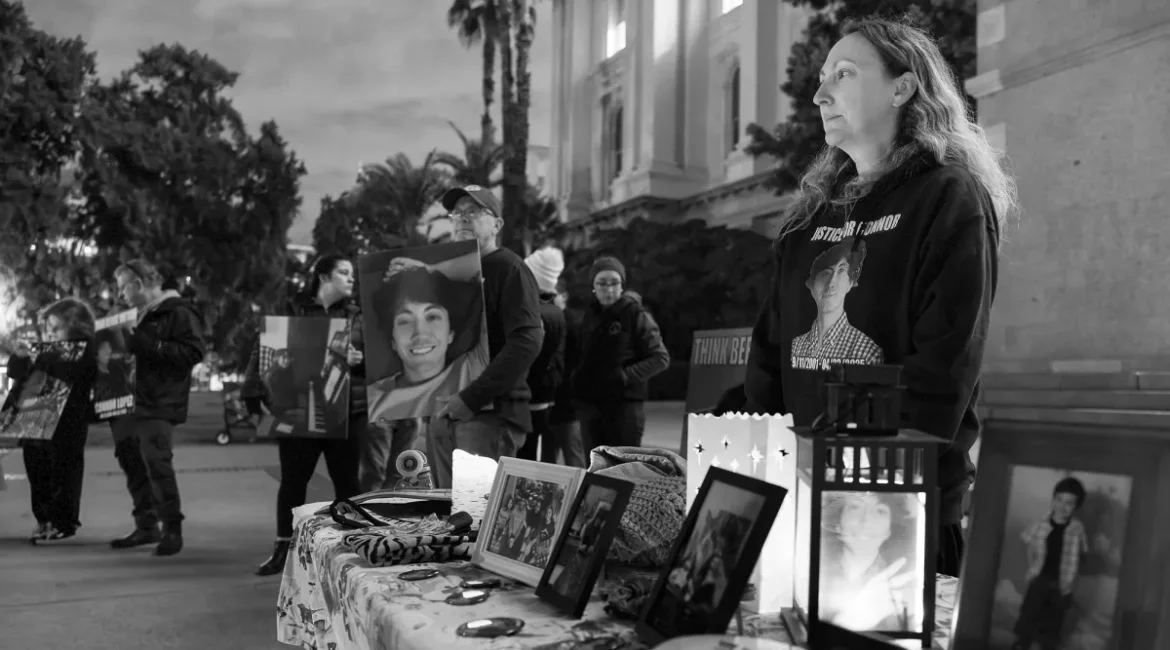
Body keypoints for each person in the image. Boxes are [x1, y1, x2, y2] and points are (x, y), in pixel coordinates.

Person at [741, 16, 1019, 578]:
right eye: (821, 79)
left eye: (842, 74)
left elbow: (942, 371)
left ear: (902, 87)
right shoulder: (811, 216)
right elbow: (770, 356)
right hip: (797, 502)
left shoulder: (948, 197)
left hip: (893, 518)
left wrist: (855, 496)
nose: (820, 94)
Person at [251, 254, 367, 576]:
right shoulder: (290, 309)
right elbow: (265, 350)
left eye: (351, 274)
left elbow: (377, 364)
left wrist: (360, 360)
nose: (351, 279)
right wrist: (253, 395)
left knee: (347, 481)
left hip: (346, 412)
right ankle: (283, 548)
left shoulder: (358, 317)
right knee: (293, 482)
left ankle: (354, 544)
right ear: (323, 277)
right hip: (298, 410)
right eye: (344, 273)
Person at [429, 184, 543, 488]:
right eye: (457, 213)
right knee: (449, 514)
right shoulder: (449, 273)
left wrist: (472, 398)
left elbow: (527, 341)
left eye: (475, 212)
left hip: (488, 414)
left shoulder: (510, 268)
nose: (463, 218)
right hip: (444, 408)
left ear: (497, 224)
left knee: (476, 514)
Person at [109, 259, 206, 556]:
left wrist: (148, 345)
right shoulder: (136, 316)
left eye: (123, 286)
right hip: (128, 400)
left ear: (139, 283)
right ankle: (146, 525)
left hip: (159, 400)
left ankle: (172, 528)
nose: (120, 294)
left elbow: (194, 351)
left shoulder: (178, 311)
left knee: (156, 460)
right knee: (130, 457)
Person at [8, 298, 98, 542]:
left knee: (63, 468)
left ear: (76, 327)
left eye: (56, 329)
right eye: (47, 329)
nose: (49, 334)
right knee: (36, 466)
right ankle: (43, 519)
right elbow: (16, 373)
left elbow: (78, 369)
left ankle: (63, 522)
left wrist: (40, 353)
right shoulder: (44, 351)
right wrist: (19, 356)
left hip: (68, 417)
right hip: (36, 411)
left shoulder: (85, 350)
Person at [572, 256, 670, 450]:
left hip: (625, 406)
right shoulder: (589, 315)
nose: (609, 290)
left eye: (614, 283)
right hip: (592, 406)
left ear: (622, 285)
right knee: (594, 470)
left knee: (622, 470)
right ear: (593, 286)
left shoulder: (635, 314)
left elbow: (660, 358)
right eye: (602, 284)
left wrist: (625, 376)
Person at [818, 492, 918, 631]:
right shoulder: (812, 573)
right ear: (837, 525)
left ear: (889, 531)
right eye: (855, 507)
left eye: (880, 511)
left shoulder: (903, 586)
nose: (867, 519)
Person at [1011, 477, 1089, 650]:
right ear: (1053, 499)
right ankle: (1022, 643)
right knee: (1029, 615)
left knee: (1053, 622)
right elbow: (1027, 543)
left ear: (1076, 506)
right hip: (1040, 578)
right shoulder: (1039, 524)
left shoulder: (1077, 529)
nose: (1062, 506)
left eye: (1069, 503)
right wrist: (1032, 567)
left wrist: (1072, 578)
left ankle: (1047, 644)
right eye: (1059, 500)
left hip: (1062, 584)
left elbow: (1082, 553)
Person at [518, 247, 567, 461]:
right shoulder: (555, 312)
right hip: (543, 395)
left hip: (525, 396)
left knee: (522, 459)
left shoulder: (532, 314)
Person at [547, 282, 587, 467]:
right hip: (551, 401)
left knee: (572, 453)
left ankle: (579, 494)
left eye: (552, 294)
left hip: (567, 403)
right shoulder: (550, 321)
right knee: (549, 458)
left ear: (564, 296)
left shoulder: (573, 325)